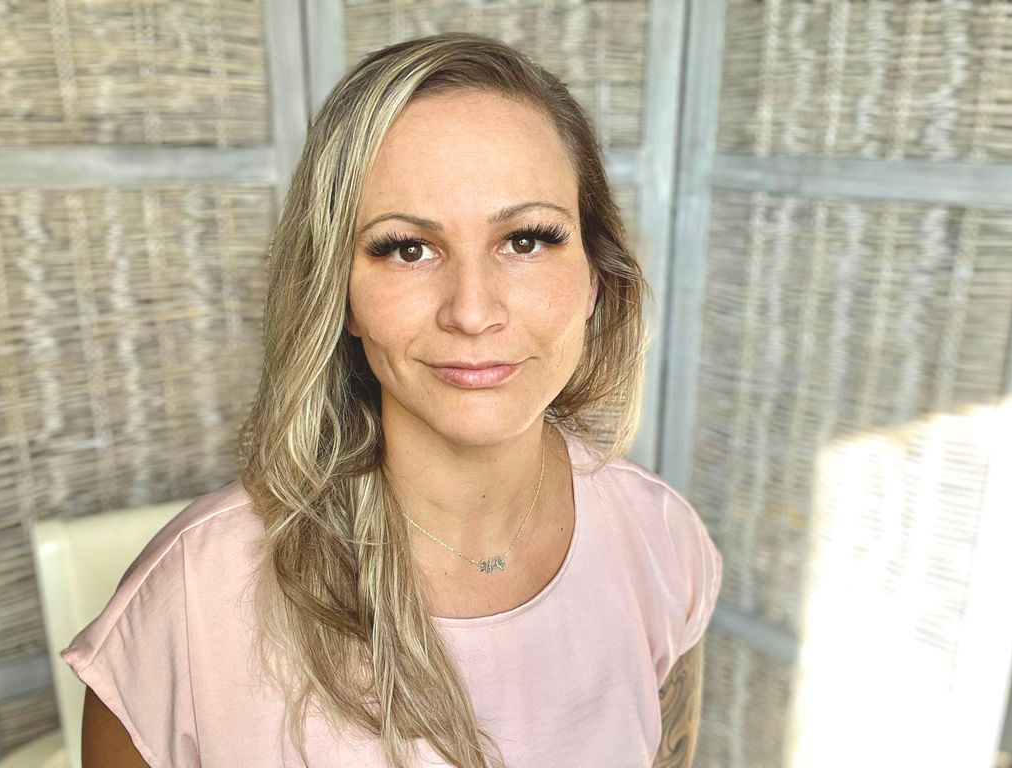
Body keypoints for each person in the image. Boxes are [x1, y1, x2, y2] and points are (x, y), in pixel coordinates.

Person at [61, 31, 723, 768]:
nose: (472, 312)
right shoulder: (188, 603)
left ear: (595, 274)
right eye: (407, 248)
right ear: (339, 293)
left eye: (528, 240)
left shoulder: (663, 544)